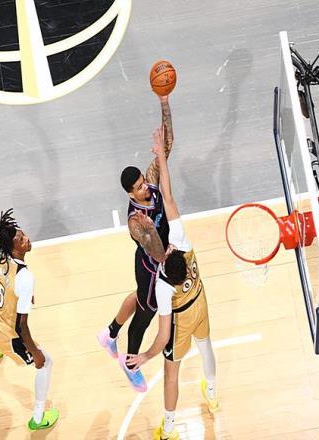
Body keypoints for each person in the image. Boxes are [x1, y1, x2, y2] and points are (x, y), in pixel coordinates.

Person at [127, 129, 219, 439]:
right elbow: (167, 195)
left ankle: (168, 429)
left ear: (166, 260)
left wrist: (145, 356)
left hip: (181, 318)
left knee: (170, 374)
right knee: (206, 347)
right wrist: (161, 157)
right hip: (200, 300)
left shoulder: (164, 286)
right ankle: (212, 393)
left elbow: (163, 334)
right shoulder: (183, 242)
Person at [97, 95, 174, 392]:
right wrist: (153, 235)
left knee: (138, 299)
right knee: (145, 314)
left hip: (158, 257)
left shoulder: (151, 180)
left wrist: (164, 101)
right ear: (130, 194)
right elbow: (157, 252)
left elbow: (167, 146)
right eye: (140, 188)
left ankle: (109, 333)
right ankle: (130, 364)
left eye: (143, 182)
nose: (145, 188)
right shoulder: (135, 221)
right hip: (151, 268)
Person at [0, 209, 59, 431]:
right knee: (46, 363)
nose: (27, 239)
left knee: (4, 319)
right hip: (9, 336)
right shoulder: (25, 277)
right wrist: (34, 352)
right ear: (13, 247)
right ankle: (38, 418)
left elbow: (7, 283)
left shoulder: (0, 256)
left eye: (23, 235)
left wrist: (23, 295)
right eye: (21, 240)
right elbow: (22, 326)